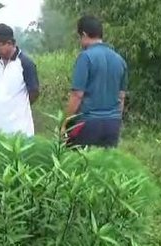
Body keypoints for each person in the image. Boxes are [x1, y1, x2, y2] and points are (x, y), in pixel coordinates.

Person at [63, 15, 128, 148]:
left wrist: (64, 123)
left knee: (80, 165)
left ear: (84, 34)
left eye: (80, 37)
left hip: (87, 123)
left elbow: (77, 95)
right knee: (106, 166)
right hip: (112, 124)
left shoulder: (85, 57)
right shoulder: (119, 60)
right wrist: (116, 122)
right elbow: (121, 97)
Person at [0, 23, 40, 137]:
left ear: (9, 43)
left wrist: (17, 106)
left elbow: (34, 92)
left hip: (18, 129)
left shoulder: (25, 64)